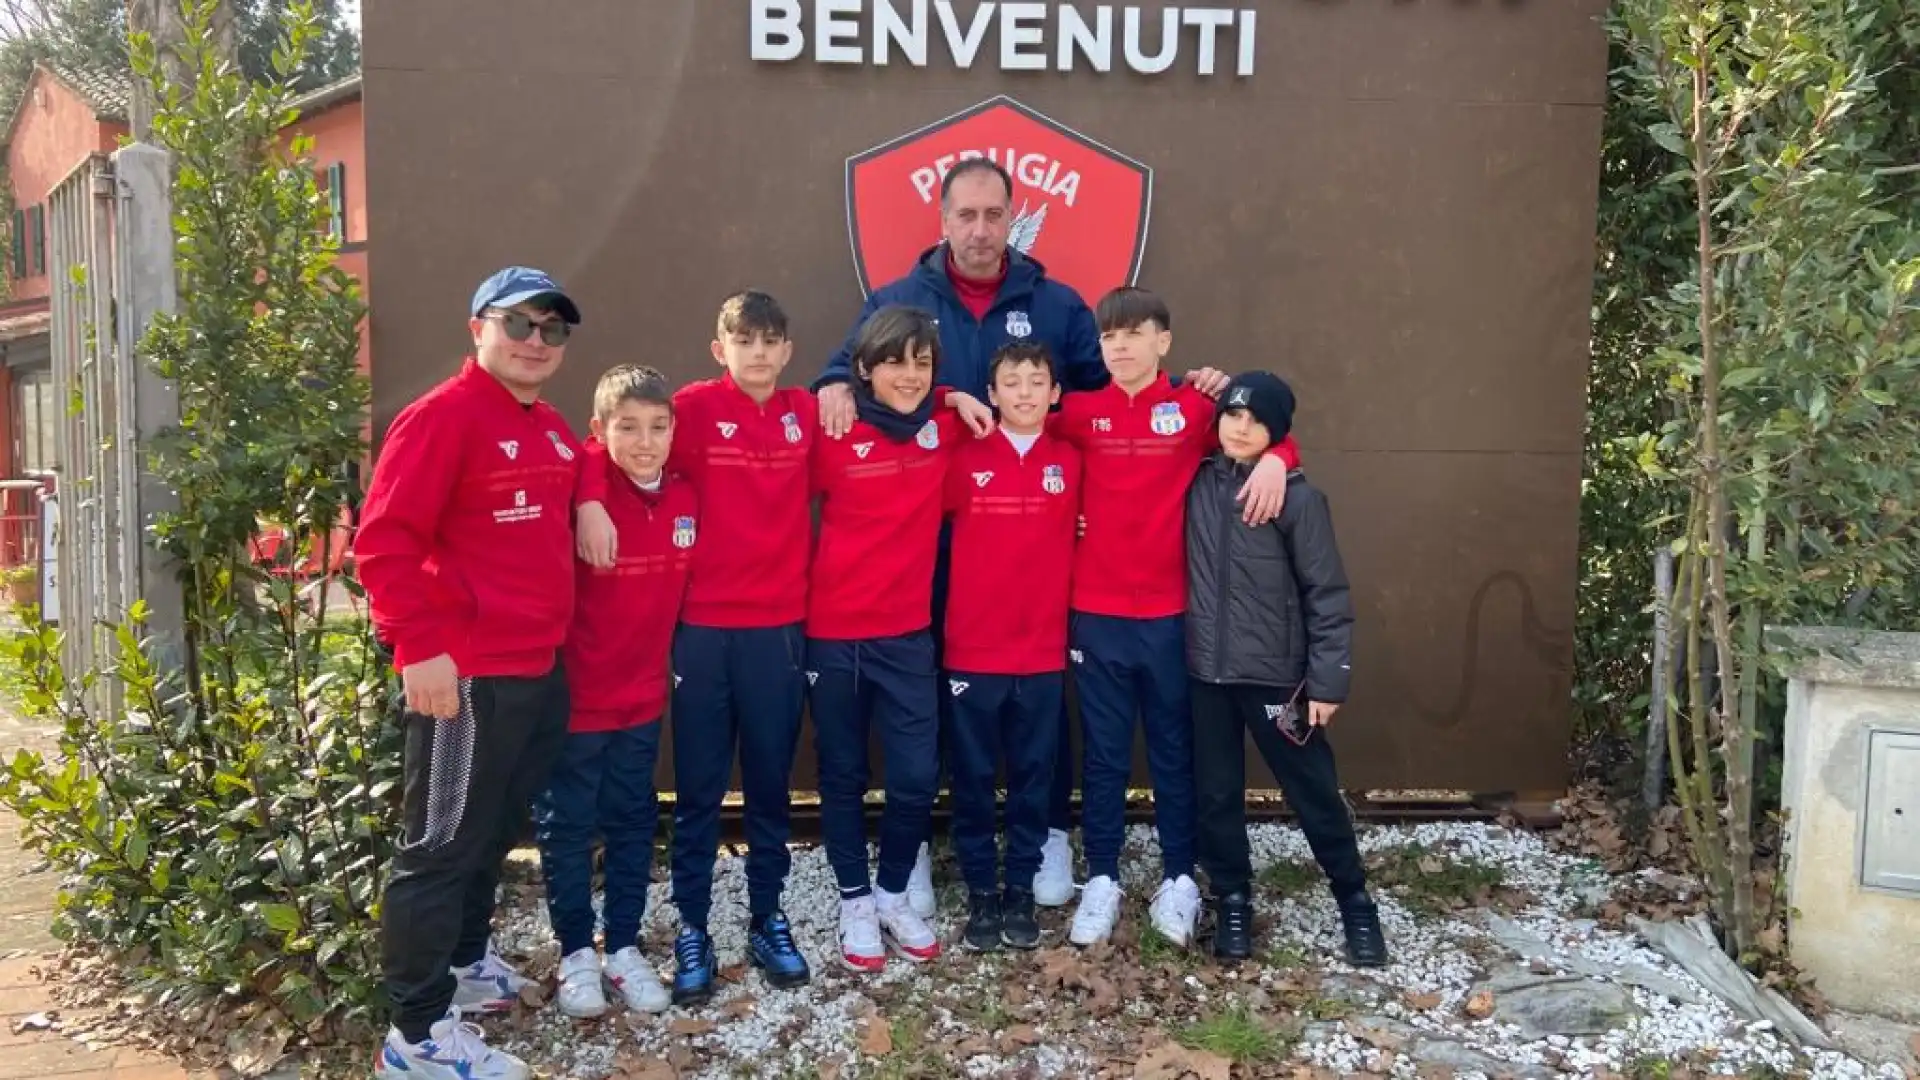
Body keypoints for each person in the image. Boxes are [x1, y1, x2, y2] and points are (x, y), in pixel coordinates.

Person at [814, 157, 1108, 912]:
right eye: (966, 216)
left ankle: (1043, 831)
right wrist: (832, 388)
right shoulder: (900, 298)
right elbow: (841, 373)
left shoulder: (1057, 304)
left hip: (1022, 543)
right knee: (935, 699)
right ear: (942, 222)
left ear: (1015, 219)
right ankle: (914, 850)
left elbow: (1106, 406)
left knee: (1038, 691)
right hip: (920, 545)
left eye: (993, 215)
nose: (980, 231)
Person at [362, 266, 584, 1080]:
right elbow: (383, 543)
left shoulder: (550, 426)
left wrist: (592, 499)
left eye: (551, 330)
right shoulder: (440, 421)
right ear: (477, 327)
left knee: (491, 836)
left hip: (535, 669)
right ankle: (414, 1039)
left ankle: (461, 969)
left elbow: (583, 474)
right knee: (438, 850)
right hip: (464, 676)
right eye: (518, 324)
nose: (534, 341)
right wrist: (417, 648)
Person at [574, 291, 815, 1005]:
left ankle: (769, 916)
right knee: (702, 789)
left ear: (788, 350)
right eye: (745, 340)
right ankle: (693, 926)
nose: (760, 353)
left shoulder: (806, 412)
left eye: (772, 340)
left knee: (771, 784)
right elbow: (607, 449)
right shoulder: (695, 408)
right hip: (703, 631)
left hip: (778, 631)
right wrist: (589, 498)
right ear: (721, 348)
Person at [1049, 286, 1297, 949]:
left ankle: (1180, 878)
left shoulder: (1194, 408)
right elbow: (1007, 430)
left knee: (1172, 751)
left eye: (1135, 333)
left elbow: (1265, 429)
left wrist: (1279, 457)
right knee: (1102, 754)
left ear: (1164, 340)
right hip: (1095, 614)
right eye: (1109, 337)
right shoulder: (1078, 411)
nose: (1121, 346)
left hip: (1170, 616)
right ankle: (1100, 876)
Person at [807, 304, 989, 970]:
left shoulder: (947, 430)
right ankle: (854, 901)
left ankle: (890, 894)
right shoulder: (831, 427)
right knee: (844, 774)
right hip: (832, 635)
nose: (908, 376)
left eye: (922, 363)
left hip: (908, 636)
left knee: (914, 776)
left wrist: (950, 394)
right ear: (863, 370)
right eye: (893, 362)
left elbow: (1035, 427)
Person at [1185, 371, 1387, 968]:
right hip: (1206, 675)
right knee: (1217, 794)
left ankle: (1354, 900)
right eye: (1232, 415)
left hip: (1277, 677)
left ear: (1277, 432)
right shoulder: (1194, 484)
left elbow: (1326, 593)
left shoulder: (1297, 498)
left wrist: (1328, 680)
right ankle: (1233, 899)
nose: (1241, 427)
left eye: (1256, 420)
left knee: (1313, 791)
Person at [535, 365, 692, 1019]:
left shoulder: (686, 497)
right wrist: (591, 491)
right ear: (599, 432)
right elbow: (577, 460)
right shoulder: (579, 488)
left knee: (633, 819)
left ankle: (623, 947)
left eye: (658, 427)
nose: (645, 441)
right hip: (576, 702)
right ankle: (576, 954)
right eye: (627, 428)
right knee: (568, 826)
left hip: (642, 698)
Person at [941, 341, 1081, 951]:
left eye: (1037, 381)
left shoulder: (1074, 460)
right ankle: (980, 895)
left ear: (1055, 394)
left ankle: (1019, 891)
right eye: (1011, 382)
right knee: (971, 777)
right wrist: (948, 399)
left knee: (1033, 777)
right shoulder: (961, 457)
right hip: (972, 650)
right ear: (992, 394)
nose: (1024, 392)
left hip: (1044, 651)